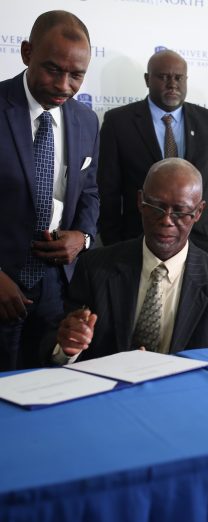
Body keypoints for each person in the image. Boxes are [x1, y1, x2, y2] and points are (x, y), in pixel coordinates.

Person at [48, 158, 208, 363]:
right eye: (156, 207)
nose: (166, 220)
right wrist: (68, 348)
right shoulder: (94, 268)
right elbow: (58, 344)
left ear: (198, 212)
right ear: (140, 201)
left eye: (180, 211)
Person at [0, 11, 99, 371]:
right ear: (27, 53)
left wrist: (83, 237)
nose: (63, 86)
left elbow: (90, 192)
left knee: (46, 386)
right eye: (53, 70)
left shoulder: (87, 121)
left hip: (55, 289)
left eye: (76, 75)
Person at [97, 49, 208, 262]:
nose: (172, 84)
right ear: (147, 79)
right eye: (163, 77)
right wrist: (115, 244)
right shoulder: (118, 122)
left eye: (178, 78)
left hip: (204, 246)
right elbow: (108, 192)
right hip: (137, 246)